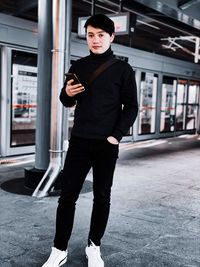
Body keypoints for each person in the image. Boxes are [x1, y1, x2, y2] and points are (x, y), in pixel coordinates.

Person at [42, 14, 138, 267]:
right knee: (67, 197)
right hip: (80, 142)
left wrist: (115, 137)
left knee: (102, 197)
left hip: (106, 145)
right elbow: (68, 102)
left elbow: (131, 107)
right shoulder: (78, 66)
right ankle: (58, 249)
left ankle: (94, 247)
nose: (95, 40)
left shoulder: (123, 69)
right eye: (90, 35)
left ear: (111, 37)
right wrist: (66, 93)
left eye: (100, 35)